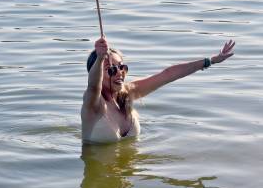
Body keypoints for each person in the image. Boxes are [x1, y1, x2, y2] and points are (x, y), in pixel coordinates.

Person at [81, 37, 235, 143]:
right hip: (98, 184)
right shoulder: (93, 104)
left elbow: (167, 75)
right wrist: (101, 58)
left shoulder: (128, 93)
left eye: (122, 67)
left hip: (125, 178)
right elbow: (93, 86)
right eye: (111, 69)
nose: (119, 72)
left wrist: (211, 60)